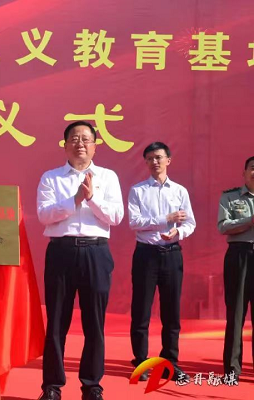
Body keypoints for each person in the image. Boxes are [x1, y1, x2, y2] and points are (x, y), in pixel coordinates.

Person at [37, 121, 123, 400]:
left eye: (86, 139)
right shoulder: (51, 178)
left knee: (94, 322)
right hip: (61, 252)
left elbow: (116, 216)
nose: (80, 144)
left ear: (95, 146)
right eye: (74, 139)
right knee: (56, 321)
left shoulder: (107, 177)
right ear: (65, 145)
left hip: (96, 252)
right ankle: (52, 386)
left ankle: (92, 384)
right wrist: (74, 200)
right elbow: (44, 215)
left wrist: (92, 197)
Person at [127, 142, 196, 381]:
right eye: (149, 159)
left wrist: (178, 231)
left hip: (172, 253)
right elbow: (134, 222)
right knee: (141, 310)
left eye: (158, 157)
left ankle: (170, 362)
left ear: (168, 160)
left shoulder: (179, 191)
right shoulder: (138, 190)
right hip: (146, 254)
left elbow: (190, 222)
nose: (154, 162)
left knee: (171, 312)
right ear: (145, 162)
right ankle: (141, 361)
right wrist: (165, 218)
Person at [218, 155, 254, 383]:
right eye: (253, 168)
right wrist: (249, 222)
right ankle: (232, 369)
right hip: (239, 255)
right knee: (236, 314)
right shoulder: (230, 196)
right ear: (244, 173)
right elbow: (223, 226)